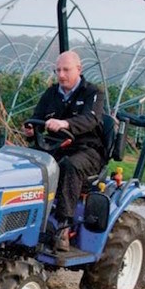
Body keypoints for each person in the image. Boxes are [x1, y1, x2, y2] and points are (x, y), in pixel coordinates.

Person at [23, 50, 105, 252]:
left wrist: (64, 123)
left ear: (78, 69)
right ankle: (24, 215)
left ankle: (63, 226)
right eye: (57, 70)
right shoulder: (51, 93)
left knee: (69, 166)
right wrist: (31, 130)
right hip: (54, 146)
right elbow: (37, 117)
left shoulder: (92, 93)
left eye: (66, 70)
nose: (61, 75)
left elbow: (90, 119)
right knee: (28, 164)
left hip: (87, 149)